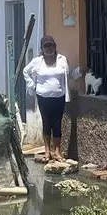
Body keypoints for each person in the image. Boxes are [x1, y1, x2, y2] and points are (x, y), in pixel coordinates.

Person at [23, 35, 70, 163]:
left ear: (55, 47)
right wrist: (32, 85)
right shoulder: (37, 61)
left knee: (57, 123)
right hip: (43, 97)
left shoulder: (62, 59)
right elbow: (25, 71)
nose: (49, 48)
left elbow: (67, 74)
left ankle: (57, 151)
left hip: (59, 96)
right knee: (46, 122)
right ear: (42, 48)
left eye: (51, 45)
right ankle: (47, 150)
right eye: (46, 46)